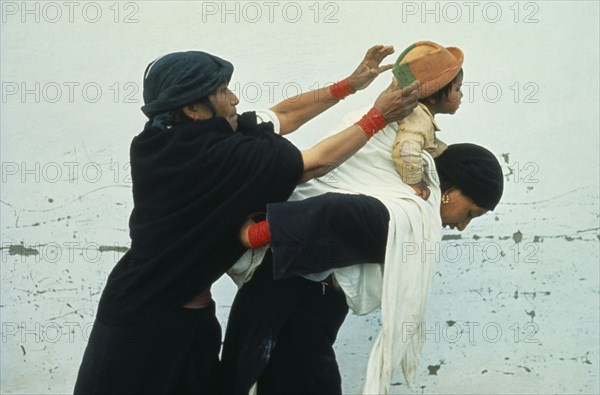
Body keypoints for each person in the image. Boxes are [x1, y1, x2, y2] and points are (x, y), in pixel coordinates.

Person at [73, 46, 420, 394]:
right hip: (143, 323)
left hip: (189, 315)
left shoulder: (159, 138)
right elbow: (316, 163)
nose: (235, 99)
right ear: (193, 109)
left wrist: (350, 84)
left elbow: (282, 115)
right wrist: (378, 117)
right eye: (223, 91)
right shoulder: (219, 156)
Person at [222, 142, 503, 395]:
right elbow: (333, 211)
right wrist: (256, 234)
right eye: (470, 213)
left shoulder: (410, 208)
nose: (463, 226)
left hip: (305, 310)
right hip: (284, 304)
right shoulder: (404, 215)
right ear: (451, 192)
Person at [391, 41, 464, 200]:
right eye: (457, 89)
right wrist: (415, 182)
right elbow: (407, 149)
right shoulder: (418, 118)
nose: (461, 95)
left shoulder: (420, 115)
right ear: (432, 96)